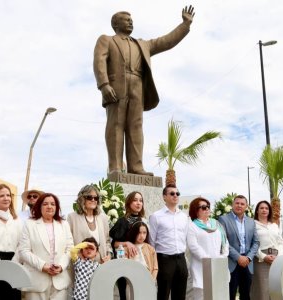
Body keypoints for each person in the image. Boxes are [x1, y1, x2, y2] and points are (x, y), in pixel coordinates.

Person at [93, 6, 195, 176]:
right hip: (116, 88)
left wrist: (185, 25)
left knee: (136, 126)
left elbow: (166, 41)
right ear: (115, 24)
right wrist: (104, 85)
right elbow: (99, 62)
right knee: (116, 126)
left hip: (137, 86)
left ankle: (136, 167)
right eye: (126, 20)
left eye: (131, 20)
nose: (131, 22)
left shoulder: (142, 44)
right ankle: (116, 167)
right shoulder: (106, 40)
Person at [19, 193, 74, 300]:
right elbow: (23, 251)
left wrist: (61, 266)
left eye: (53, 204)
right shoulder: (29, 224)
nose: (49, 206)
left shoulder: (64, 224)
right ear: (39, 206)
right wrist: (42, 266)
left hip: (60, 282)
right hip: (36, 281)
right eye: (45, 204)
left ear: (56, 207)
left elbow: (70, 249)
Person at [149, 184, 188, 300]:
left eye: (177, 193)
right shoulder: (156, 216)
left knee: (180, 295)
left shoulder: (184, 216)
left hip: (181, 260)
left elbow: (184, 237)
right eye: (172, 193)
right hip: (164, 260)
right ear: (164, 197)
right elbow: (152, 241)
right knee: (163, 294)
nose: (175, 195)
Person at [0, 183, 23, 300]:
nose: (6, 198)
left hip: (14, 263)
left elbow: (22, 244)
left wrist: (14, 262)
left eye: (8, 195)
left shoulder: (17, 220)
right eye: (2, 196)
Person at [187, 197, 229, 300]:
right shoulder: (192, 226)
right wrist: (208, 260)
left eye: (208, 207)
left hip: (218, 265)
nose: (207, 209)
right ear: (195, 210)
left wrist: (223, 256)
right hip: (201, 267)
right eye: (203, 207)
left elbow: (225, 242)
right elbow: (193, 246)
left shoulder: (216, 224)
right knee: (202, 296)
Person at [218, 195, 259, 300]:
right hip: (231, 263)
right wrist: (238, 257)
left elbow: (256, 242)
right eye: (237, 203)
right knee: (230, 294)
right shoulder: (223, 219)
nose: (239, 206)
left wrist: (248, 257)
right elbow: (223, 241)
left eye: (242, 204)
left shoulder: (251, 221)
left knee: (246, 295)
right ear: (232, 205)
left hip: (247, 263)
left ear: (246, 206)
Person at [109, 191, 146, 300]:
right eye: (135, 200)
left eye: (140, 200)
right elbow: (114, 243)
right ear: (129, 203)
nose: (138, 203)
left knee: (138, 293)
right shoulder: (122, 221)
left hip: (140, 262)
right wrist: (127, 243)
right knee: (124, 293)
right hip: (124, 262)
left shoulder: (143, 221)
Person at [67, 185, 112, 263]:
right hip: (81, 265)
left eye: (96, 198)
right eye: (89, 197)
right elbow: (68, 243)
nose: (93, 200)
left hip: (102, 264)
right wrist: (78, 256)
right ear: (82, 199)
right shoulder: (72, 217)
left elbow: (107, 241)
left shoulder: (103, 217)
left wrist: (109, 255)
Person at [250, 200, 283, 300]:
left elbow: (280, 242)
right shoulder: (252, 225)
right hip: (261, 260)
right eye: (261, 208)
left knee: (276, 289)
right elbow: (252, 244)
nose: (264, 210)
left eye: (266, 208)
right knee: (262, 290)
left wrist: (279, 256)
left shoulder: (274, 226)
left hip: (276, 259)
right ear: (257, 211)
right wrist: (263, 256)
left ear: (269, 211)